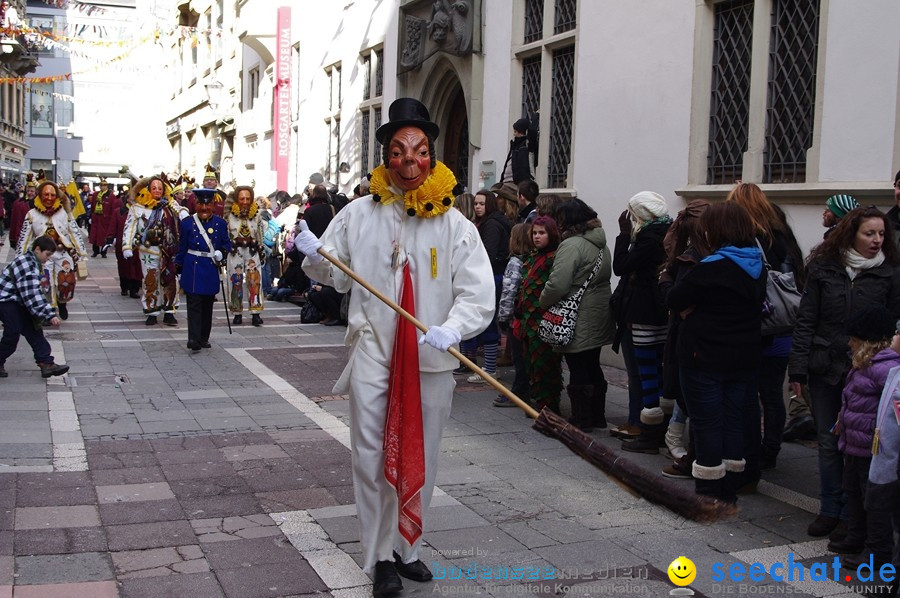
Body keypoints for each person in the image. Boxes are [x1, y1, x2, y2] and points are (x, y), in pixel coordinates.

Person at [296, 98, 494, 595]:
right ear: (386, 156)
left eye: (420, 151)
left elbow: (478, 293)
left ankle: (410, 547)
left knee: (421, 455)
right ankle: (379, 554)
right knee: (369, 455)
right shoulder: (358, 215)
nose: (410, 161)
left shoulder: (454, 224)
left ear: (432, 156)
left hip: (429, 361)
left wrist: (454, 327)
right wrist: (312, 252)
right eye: (400, 151)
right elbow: (332, 274)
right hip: (373, 354)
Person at [788, 206, 900, 538]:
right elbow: (806, 320)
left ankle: (857, 518)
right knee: (828, 440)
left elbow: (894, 325)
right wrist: (798, 368)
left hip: (870, 372)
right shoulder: (823, 268)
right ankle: (830, 509)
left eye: (881, 234)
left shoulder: (890, 274)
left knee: (862, 445)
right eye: (870, 233)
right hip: (826, 366)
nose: (877, 240)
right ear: (851, 233)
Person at [667, 201, 766, 502]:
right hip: (743, 355)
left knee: (707, 422)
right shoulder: (757, 264)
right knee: (733, 419)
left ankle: (710, 490)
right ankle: (731, 485)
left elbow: (675, 297)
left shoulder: (712, 267)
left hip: (704, 356)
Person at [727, 183, 806, 478]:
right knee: (772, 393)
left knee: (749, 392)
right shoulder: (784, 235)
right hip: (785, 327)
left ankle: (753, 450)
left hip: (757, 327)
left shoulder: (746, 238)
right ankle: (771, 449)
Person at [824, 306, 900, 571]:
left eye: (853, 339)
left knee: (875, 503)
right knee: (853, 493)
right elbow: (851, 400)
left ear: (867, 341)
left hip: (872, 448)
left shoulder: (886, 368)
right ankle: (856, 536)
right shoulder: (862, 365)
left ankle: (877, 551)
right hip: (853, 444)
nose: (849, 343)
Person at [540, 198, 614, 430]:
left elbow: (558, 284)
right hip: (598, 309)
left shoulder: (572, 245)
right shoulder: (600, 242)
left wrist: (543, 301)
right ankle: (597, 416)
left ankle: (582, 419)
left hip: (577, 312)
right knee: (592, 363)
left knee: (578, 365)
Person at [611, 191, 672, 448]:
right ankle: (645, 424)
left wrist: (624, 235)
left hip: (644, 313)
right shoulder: (666, 232)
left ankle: (648, 429)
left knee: (644, 372)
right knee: (651, 372)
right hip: (652, 312)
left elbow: (621, 265)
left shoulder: (650, 239)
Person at [457, 189, 511, 383]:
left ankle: (489, 368)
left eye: (481, 204)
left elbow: (486, 255)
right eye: (476, 204)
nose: (478, 207)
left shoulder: (492, 225)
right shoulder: (486, 223)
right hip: (489, 275)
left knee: (487, 320)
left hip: (492, 276)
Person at [0, 235, 69, 378]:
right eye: (47, 254)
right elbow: (31, 294)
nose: (48, 258)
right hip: (6, 301)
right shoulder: (27, 264)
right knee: (13, 332)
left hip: (17, 301)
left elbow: (34, 293)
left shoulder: (32, 262)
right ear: (37, 249)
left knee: (34, 330)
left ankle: (46, 363)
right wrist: (49, 314)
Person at [16, 181, 86, 321]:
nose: (49, 198)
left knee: (65, 281)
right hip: (42, 256)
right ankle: (49, 310)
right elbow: (25, 237)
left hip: (62, 253)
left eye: (52, 195)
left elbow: (74, 232)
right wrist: (20, 258)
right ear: (40, 195)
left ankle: (62, 303)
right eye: (46, 194)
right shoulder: (31, 214)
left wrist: (82, 253)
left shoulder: (64, 212)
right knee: (45, 283)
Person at [123, 176, 185, 326]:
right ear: (148, 190)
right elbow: (129, 227)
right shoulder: (137, 207)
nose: (157, 191)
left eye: (160, 188)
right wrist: (126, 245)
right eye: (154, 188)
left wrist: (183, 213)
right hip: (148, 250)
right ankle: (152, 311)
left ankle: (170, 311)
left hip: (168, 251)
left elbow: (180, 209)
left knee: (171, 280)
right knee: (150, 281)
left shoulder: (170, 204)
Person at [175, 193, 231, 352]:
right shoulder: (187, 224)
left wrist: (222, 252)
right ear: (195, 205)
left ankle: (203, 337)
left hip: (210, 267)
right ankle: (193, 338)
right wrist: (178, 266)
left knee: (207, 304)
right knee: (193, 304)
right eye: (200, 204)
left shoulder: (220, 224)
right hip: (193, 267)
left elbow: (227, 244)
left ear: (213, 205)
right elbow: (182, 247)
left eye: (208, 204)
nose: (204, 208)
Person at [518, 215, 563, 413]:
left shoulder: (554, 258)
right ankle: (538, 400)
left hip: (544, 320)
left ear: (551, 234)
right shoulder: (533, 257)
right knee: (532, 363)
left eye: (542, 233)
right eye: (535, 233)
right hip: (529, 320)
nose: (537, 237)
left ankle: (549, 406)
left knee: (546, 364)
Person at [495, 223, 532, 407]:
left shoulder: (515, 262)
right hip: (529, 316)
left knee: (519, 357)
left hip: (515, 319)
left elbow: (508, 291)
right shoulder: (532, 259)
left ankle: (519, 391)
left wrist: (503, 317)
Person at [225, 185, 266, 327]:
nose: (245, 201)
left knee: (254, 281)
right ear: (237, 199)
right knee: (235, 281)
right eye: (242, 198)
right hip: (235, 251)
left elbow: (260, 232)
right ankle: (237, 313)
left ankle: (256, 313)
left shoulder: (257, 214)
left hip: (252, 251)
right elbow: (225, 234)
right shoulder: (229, 215)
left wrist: (260, 248)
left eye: (248, 198)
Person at [88, 178, 118, 258]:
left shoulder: (111, 196)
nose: (102, 187)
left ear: (106, 186)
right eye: (101, 185)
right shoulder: (95, 195)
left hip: (105, 220)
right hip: (96, 219)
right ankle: (95, 251)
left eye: (104, 185)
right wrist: (91, 216)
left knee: (105, 237)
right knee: (94, 236)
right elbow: (93, 207)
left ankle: (104, 252)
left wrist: (112, 219)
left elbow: (113, 209)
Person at [500, 117, 534, 184]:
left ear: (521, 132)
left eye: (515, 131)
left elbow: (533, 135)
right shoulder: (514, 145)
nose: (514, 134)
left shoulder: (525, 145)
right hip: (506, 181)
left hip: (515, 182)